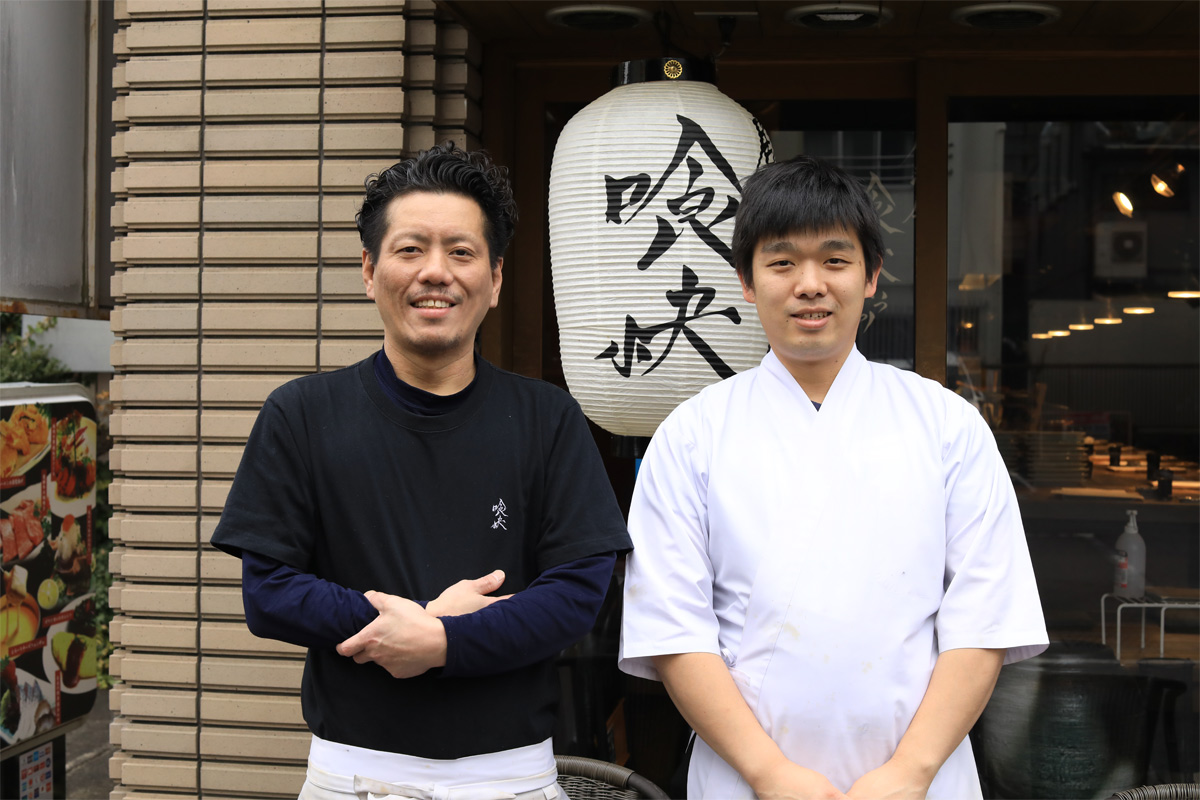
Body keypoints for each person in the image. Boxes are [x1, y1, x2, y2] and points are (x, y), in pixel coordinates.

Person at [618, 155, 1048, 800]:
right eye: (782, 262)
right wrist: (770, 774)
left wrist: (910, 773)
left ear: (872, 276)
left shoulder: (946, 425)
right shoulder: (692, 435)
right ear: (746, 280)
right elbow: (673, 631)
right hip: (746, 781)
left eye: (835, 260)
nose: (810, 284)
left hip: (922, 783)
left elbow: (984, 622)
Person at [212, 143, 632, 799]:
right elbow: (270, 594)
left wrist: (442, 641)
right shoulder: (301, 414)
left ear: (495, 279)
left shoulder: (547, 417)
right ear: (369, 269)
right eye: (410, 249)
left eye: (461, 252)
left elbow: (578, 593)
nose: (435, 272)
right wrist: (418, 623)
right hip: (354, 774)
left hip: (512, 775)